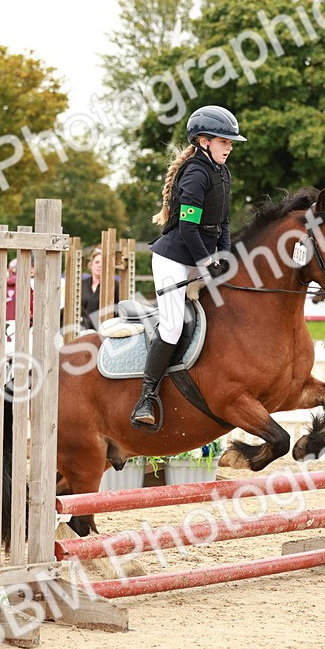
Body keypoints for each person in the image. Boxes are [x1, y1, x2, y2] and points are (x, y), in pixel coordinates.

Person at [131, 105, 245, 430]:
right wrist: (207, 262)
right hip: (174, 260)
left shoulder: (222, 173)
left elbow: (222, 224)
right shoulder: (195, 173)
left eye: (231, 142)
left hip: (200, 257)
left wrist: (224, 258)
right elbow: (187, 228)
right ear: (204, 141)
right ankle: (147, 397)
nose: (230, 146)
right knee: (173, 326)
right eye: (225, 141)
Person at [79, 247, 121, 330]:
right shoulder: (81, 284)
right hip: (83, 329)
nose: (99, 265)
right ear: (91, 265)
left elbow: (118, 309)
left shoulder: (114, 285)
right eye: (97, 262)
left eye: (103, 263)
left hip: (105, 329)